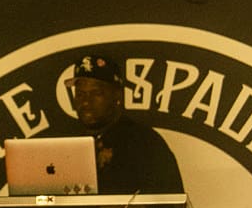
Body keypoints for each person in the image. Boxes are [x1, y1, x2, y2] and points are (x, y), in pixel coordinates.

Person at [62, 53, 183, 196]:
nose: (86, 102)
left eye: (96, 93)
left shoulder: (145, 143)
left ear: (117, 95)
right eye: (80, 94)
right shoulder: (63, 143)